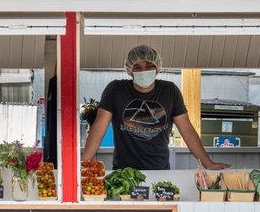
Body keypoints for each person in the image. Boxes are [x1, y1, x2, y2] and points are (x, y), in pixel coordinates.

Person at [81, 45, 228, 172]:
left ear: (157, 68)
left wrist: (208, 163)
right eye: (137, 67)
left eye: (149, 66)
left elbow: (187, 131)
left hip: (160, 170)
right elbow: (98, 128)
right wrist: (83, 164)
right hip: (123, 171)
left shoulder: (169, 91)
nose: (143, 71)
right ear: (129, 70)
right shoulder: (116, 89)